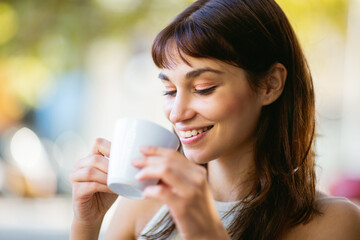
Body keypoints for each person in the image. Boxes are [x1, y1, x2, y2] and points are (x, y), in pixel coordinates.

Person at [69, 0, 360, 239]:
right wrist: (86, 224)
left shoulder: (335, 224)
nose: (177, 113)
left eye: (203, 88)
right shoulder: (145, 202)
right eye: (169, 90)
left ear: (270, 84)